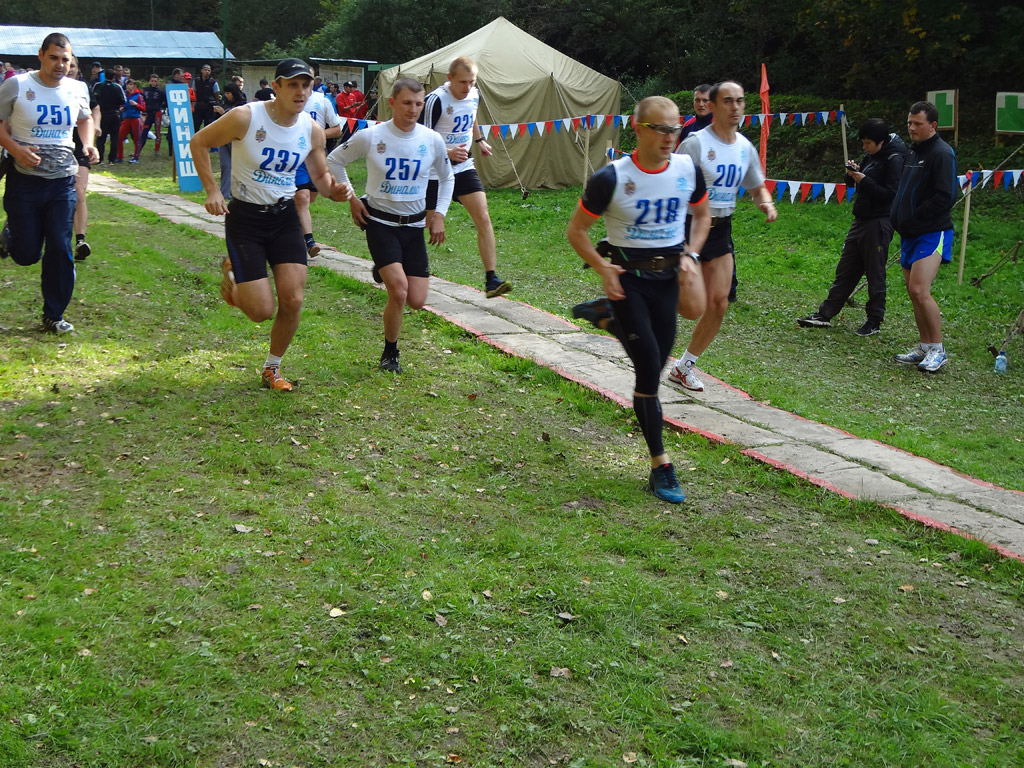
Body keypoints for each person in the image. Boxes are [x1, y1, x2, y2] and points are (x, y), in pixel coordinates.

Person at [567, 96, 711, 504]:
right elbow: (576, 231)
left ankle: (610, 319)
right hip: (627, 279)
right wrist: (603, 267)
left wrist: (691, 255)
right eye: (660, 128)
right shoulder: (610, 179)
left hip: (668, 281)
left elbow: (703, 216)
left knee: (658, 360)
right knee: (648, 371)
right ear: (639, 128)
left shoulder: (687, 169)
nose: (670, 136)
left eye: (675, 128)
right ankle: (660, 466)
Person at [190, 58, 351, 391]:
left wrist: (333, 191)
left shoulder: (311, 129)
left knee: (293, 299)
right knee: (261, 311)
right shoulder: (246, 117)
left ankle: (272, 368)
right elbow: (199, 142)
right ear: (276, 86)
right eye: (292, 84)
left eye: (306, 85)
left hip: (284, 218)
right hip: (246, 220)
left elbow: (320, 175)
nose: (300, 92)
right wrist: (212, 190)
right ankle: (233, 278)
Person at [327, 77, 454, 374]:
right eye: (407, 103)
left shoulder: (431, 139)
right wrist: (351, 197)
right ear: (392, 102)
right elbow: (334, 160)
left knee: (416, 300)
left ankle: (383, 267)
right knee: (399, 291)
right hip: (380, 222)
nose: (413, 109)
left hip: (414, 226)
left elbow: (447, 177)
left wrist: (439, 214)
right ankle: (390, 353)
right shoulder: (372, 136)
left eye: (419, 104)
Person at [666, 80, 777, 393]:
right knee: (690, 308)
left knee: (719, 303)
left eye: (740, 101)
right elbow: (672, 187)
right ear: (713, 106)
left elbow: (757, 186)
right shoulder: (695, 144)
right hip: (689, 226)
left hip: (722, 229)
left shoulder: (744, 147)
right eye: (728, 101)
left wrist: (766, 202)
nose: (735, 107)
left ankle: (684, 366)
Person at [0, 32, 98, 334]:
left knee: (59, 245)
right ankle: (11, 235)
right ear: (41, 55)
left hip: (62, 182)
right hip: (24, 181)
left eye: (65, 60)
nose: (60, 65)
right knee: (27, 254)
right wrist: (17, 149)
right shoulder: (17, 85)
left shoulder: (77, 88)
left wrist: (88, 144)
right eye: (54, 58)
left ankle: (54, 314)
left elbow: (85, 119)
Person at [797, 119, 909, 336]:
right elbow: (854, 184)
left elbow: (891, 194)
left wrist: (863, 179)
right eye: (863, 143)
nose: (865, 148)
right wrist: (853, 173)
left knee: (875, 272)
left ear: (881, 142)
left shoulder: (894, 159)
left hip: (879, 221)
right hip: (861, 219)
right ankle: (825, 313)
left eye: (868, 144)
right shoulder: (871, 156)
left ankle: (874, 320)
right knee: (846, 268)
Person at [422, 57, 512, 298]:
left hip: (462, 167)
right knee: (424, 224)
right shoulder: (435, 100)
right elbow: (422, 137)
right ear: (449, 78)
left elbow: (472, 116)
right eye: (463, 82)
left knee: (483, 217)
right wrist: (448, 151)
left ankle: (491, 279)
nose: (468, 87)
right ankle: (392, 261)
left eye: (472, 82)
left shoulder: (474, 94)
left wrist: (479, 140)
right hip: (433, 170)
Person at [890, 100, 957, 373]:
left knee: (920, 289)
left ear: (933, 125)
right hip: (909, 233)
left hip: (931, 232)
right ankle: (925, 346)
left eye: (918, 123)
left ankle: (938, 350)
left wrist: (915, 217)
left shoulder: (942, 153)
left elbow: (945, 196)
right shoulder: (912, 151)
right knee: (913, 292)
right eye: (909, 122)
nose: (912, 128)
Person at [294, 86, 342, 257]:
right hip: (297, 156)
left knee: (310, 198)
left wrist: (316, 134)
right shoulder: (290, 100)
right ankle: (309, 242)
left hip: (316, 156)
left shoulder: (322, 100)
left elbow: (337, 129)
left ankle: (294, 224)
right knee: (302, 198)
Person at [67, 56, 100, 261]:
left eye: (72, 65)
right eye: (66, 64)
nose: (68, 68)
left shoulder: (82, 88)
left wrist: (95, 126)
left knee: (79, 190)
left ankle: (80, 241)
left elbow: (94, 108)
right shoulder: (43, 87)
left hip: (79, 142)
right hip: (52, 143)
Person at [212, 82, 246, 199]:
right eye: (225, 93)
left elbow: (238, 119)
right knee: (225, 165)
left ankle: (238, 192)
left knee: (238, 166)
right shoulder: (224, 103)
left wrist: (224, 113)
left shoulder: (241, 105)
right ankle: (224, 193)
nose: (226, 96)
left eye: (228, 93)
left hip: (236, 139)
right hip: (223, 137)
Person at [93, 68, 125, 163]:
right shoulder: (117, 87)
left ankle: (100, 158)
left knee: (101, 137)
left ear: (104, 75)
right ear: (114, 77)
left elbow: (93, 98)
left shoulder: (98, 86)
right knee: (114, 137)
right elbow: (123, 100)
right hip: (114, 114)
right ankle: (112, 159)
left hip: (102, 114)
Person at [116, 78, 145, 163]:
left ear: (134, 86)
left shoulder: (139, 95)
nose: (129, 86)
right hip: (126, 119)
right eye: (128, 84)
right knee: (119, 137)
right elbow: (123, 104)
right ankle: (119, 157)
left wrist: (136, 104)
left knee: (137, 138)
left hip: (135, 119)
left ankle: (136, 157)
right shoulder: (125, 94)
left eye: (131, 84)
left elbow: (143, 108)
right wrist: (122, 108)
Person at [139, 73, 165, 155]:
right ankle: (138, 150)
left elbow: (166, 101)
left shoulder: (161, 92)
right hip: (148, 114)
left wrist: (162, 108)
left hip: (157, 113)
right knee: (144, 131)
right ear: (150, 81)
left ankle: (156, 150)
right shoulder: (145, 90)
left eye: (155, 81)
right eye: (152, 81)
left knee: (157, 132)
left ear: (158, 82)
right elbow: (142, 100)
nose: (153, 82)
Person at [193, 64, 221, 130]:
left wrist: (216, 103)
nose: (207, 72)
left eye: (209, 70)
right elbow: (194, 91)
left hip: (209, 107)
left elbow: (217, 93)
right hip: (199, 106)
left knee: (208, 127)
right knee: (196, 125)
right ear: (201, 70)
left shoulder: (213, 82)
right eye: (205, 70)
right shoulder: (196, 81)